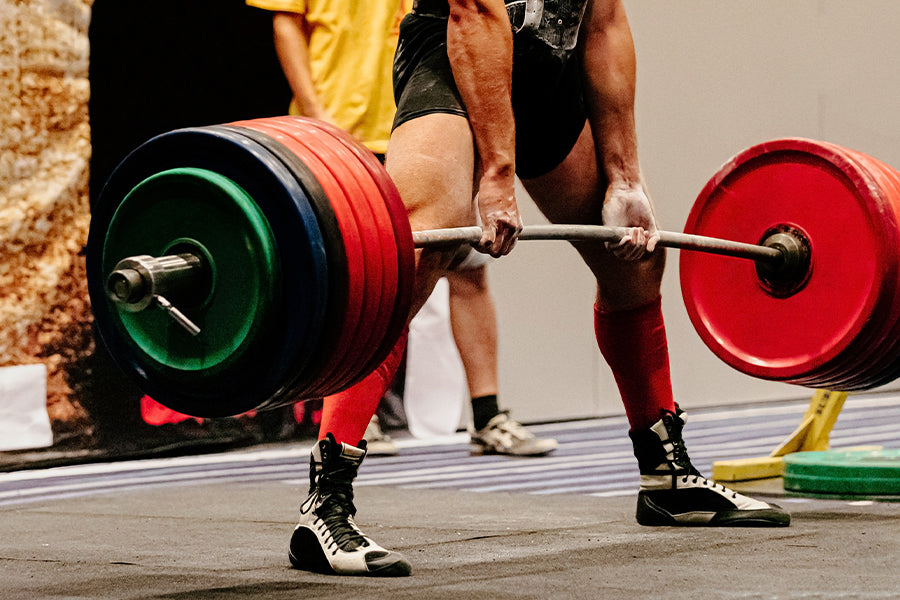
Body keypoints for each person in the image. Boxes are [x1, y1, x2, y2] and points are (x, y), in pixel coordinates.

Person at [286, 0, 792, 577]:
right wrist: (496, 173)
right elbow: (474, 12)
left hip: (549, 61)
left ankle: (667, 477)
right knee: (419, 251)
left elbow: (603, 24)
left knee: (633, 260)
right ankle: (323, 507)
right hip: (456, 55)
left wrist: (626, 176)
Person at [247, 0, 554, 458]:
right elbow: (286, 26)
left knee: (466, 267)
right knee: (369, 282)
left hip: (422, 126)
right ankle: (354, 420)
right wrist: (317, 114)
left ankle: (488, 416)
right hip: (341, 139)